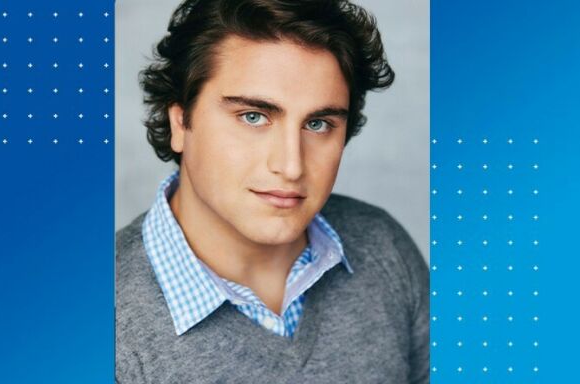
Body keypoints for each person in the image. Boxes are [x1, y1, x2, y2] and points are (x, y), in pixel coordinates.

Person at [116, 0, 429, 382]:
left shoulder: (382, 247)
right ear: (180, 122)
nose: (291, 165)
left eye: (317, 124)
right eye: (254, 117)